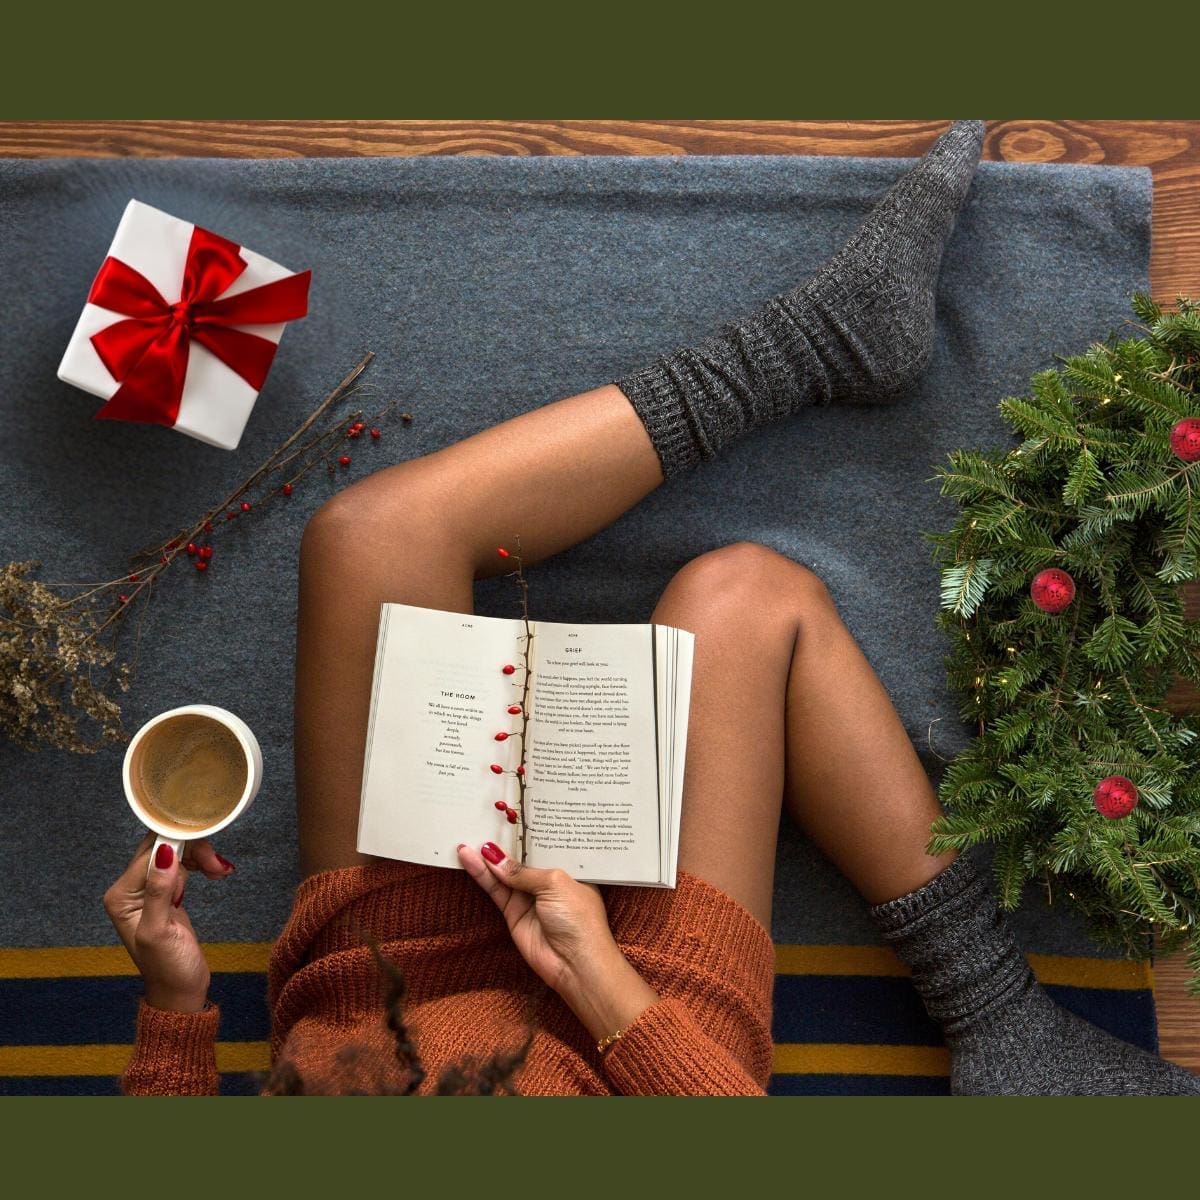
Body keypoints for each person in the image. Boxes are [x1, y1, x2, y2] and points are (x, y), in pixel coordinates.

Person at [105, 121, 1200, 1096]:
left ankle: (821, 344)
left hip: (377, 999)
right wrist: (607, 983)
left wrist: (172, 1005)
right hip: (632, 1051)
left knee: (367, 539)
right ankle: (1002, 1019)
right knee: (745, 597)